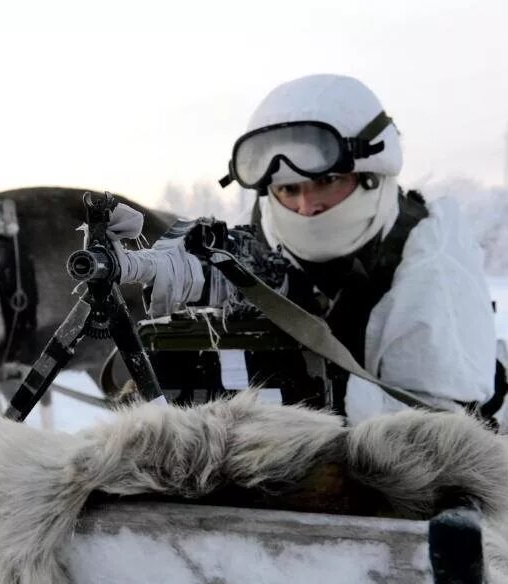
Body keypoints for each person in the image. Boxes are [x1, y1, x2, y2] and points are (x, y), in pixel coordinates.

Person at [114, 73, 502, 425]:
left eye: (327, 180)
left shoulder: (432, 267)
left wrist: (302, 388)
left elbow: (438, 435)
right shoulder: (264, 230)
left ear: (373, 174)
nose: (305, 206)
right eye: (288, 189)